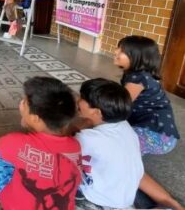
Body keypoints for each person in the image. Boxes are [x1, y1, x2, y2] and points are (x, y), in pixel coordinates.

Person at [74, 78, 183, 210]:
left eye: (82, 98)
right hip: (125, 199)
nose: (78, 100)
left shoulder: (87, 138)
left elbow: (57, 146)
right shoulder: (124, 126)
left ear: (97, 112)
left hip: (98, 201)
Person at [0, 77, 81, 210]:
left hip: (14, 205)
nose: (21, 104)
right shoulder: (75, 146)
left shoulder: (16, 141)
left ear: (35, 118)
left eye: (24, 102)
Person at [115, 35, 180, 155]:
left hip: (158, 136)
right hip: (158, 132)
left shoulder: (138, 78)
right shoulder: (136, 74)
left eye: (122, 51)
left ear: (138, 57)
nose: (116, 52)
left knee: (113, 142)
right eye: (118, 48)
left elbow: (120, 106)